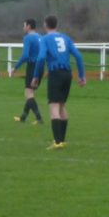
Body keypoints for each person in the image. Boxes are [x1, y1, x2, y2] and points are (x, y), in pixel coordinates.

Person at [32, 15, 86, 150]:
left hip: (55, 74)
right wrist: (81, 76)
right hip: (67, 74)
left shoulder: (44, 39)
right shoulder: (66, 38)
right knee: (62, 106)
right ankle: (62, 140)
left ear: (45, 25)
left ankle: (57, 142)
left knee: (54, 108)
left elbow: (41, 58)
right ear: (56, 25)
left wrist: (36, 76)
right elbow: (78, 56)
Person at [12, 18, 45, 124]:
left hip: (32, 65)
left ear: (29, 26)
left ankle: (39, 118)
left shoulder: (28, 38)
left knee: (29, 93)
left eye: (24, 25)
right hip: (41, 65)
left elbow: (25, 56)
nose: (23, 27)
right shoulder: (41, 37)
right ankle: (23, 117)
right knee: (31, 92)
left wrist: (15, 67)